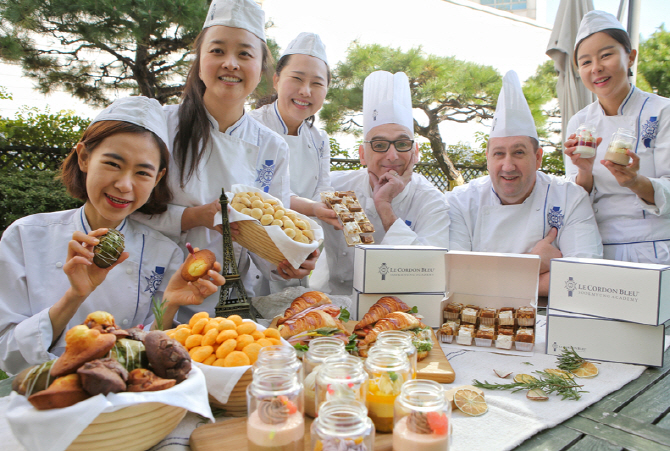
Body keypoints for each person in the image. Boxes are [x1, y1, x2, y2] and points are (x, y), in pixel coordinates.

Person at [0, 96, 225, 375]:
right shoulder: (24, 237)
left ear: (157, 179)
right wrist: (75, 296)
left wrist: (171, 302)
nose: (124, 185)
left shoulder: (164, 252)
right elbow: (8, 355)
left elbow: (150, 356)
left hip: (131, 400)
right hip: (46, 401)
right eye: (113, 164)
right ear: (84, 157)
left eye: (143, 172)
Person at [132, 0, 316, 321]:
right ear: (200, 61)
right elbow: (130, 213)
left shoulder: (272, 146)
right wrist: (197, 217)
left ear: (261, 69)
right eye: (217, 51)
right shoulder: (160, 126)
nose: (230, 63)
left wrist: (288, 261)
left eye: (244, 54)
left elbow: (270, 235)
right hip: (156, 297)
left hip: (234, 310)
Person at [448, 70, 603, 297]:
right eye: (499, 154)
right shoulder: (461, 201)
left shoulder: (570, 197)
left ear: (538, 157)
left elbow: (585, 276)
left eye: (519, 153)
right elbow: (456, 277)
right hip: (476, 316)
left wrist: (488, 282)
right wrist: (533, 264)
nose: (508, 166)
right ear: (487, 158)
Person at [316, 71, 451, 296]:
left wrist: (384, 206)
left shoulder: (431, 201)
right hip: (333, 304)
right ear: (362, 154)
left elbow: (429, 271)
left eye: (402, 144)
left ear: (415, 152)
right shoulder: (337, 188)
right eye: (379, 145)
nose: (392, 155)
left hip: (403, 307)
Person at [564, 10, 670, 264]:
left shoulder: (662, 112)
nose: (596, 68)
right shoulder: (579, 123)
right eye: (586, 61)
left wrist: (635, 181)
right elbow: (574, 200)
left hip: (657, 248)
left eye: (606, 55)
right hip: (599, 248)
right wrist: (585, 172)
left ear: (630, 57)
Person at [250, 32, 339, 292]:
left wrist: (334, 210)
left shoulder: (319, 139)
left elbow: (323, 190)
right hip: (256, 248)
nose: (305, 91)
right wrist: (313, 208)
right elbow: (260, 196)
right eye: (297, 79)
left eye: (317, 84)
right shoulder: (251, 126)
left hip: (298, 247)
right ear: (276, 80)